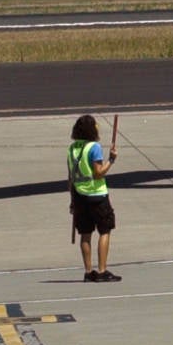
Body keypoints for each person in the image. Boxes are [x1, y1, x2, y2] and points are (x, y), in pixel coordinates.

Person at [68, 114, 119, 282]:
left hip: (79, 196)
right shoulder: (94, 147)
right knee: (105, 230)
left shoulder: (72, 149)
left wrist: (72, 200)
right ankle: (102, 270)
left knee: (85, 234)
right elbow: (98, 173)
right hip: (97, 195)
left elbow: (71, 178)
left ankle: (88, 272)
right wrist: (111, 160)